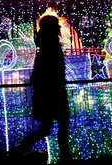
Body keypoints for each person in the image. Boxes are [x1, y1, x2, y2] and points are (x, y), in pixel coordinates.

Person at [12, 15, 72, 162]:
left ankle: (20, 150)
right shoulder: (51, 47)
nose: (59, 28)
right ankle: (65, 157)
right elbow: (49, 71)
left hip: (49, 92)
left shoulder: (47, 46)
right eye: (56, 25)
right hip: (53, 93)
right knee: (58, 126)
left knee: (50, 127)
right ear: (52, 29)